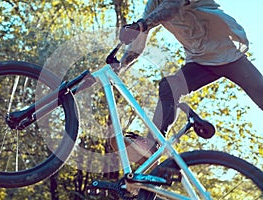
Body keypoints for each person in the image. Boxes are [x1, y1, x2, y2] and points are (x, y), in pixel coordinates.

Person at [112, 0, 263, 157]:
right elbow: (138, 43)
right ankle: (152, 146)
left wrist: (141, 25)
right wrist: (121, 66)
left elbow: (172, 6)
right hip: (200, 61)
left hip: (229, 54)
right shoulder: (153, 5)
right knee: (169, 87)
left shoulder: (166, 5)